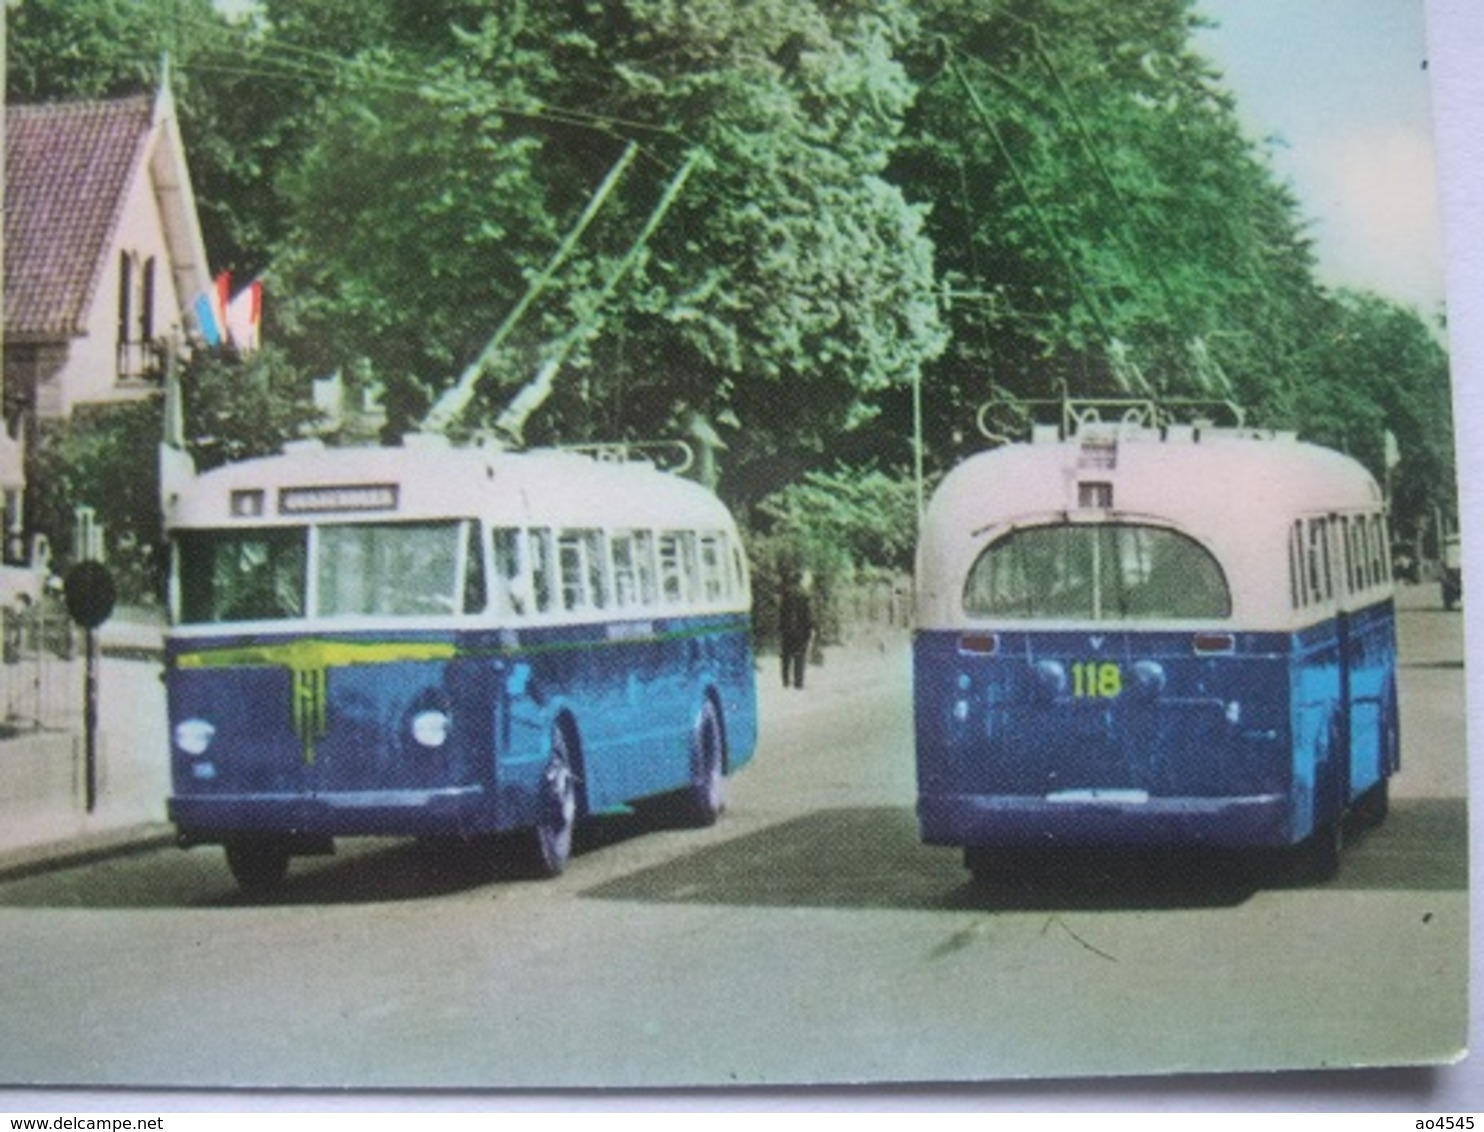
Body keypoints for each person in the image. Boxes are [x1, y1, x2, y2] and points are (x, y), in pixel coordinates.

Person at [779, 570, 814, 690]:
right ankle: (798, 682)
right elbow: (808, 614)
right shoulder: (805, 594)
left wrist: (781, 627)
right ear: (802, 579)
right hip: (801, 630)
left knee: (786, 656)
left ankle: (785, 681)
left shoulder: (786, 592)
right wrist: (810, 629)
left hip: (787, 630)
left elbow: (782, 612)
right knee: (800, 656)